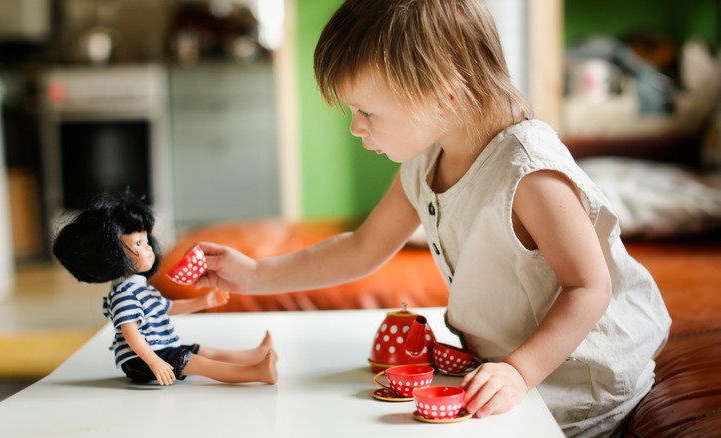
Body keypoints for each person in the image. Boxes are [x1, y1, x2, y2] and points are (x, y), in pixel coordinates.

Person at [191, 0, 669, 436]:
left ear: (444, 97)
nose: (356, 127)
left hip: (580, 385)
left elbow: (590, 286)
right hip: (502, 371)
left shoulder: (527, 171)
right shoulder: (425, 160)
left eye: (366, 111)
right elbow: (362, 247)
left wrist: (519, 370)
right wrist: (255, 274)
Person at [52, 193, 278, 386]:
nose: (149, 247)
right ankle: (256, 372)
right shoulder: (123, 296)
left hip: (161, 349)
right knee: (197, 362)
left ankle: (256, 356)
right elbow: (131, 334)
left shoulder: (140, 289)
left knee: (203, 350)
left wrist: (202, 302)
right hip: (139, 361)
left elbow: (168, 308)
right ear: (110, 257)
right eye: (138, 244)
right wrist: (154, 361)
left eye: (146, 240)